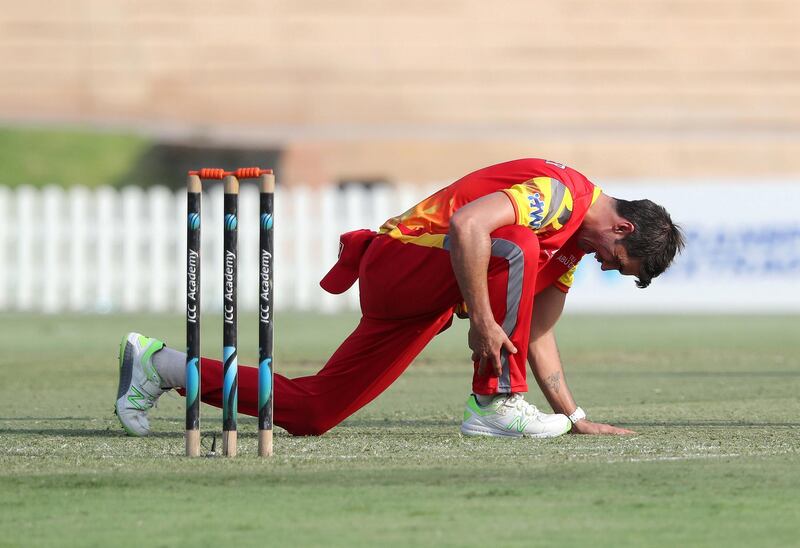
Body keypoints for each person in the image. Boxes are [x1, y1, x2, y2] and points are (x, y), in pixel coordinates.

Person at [115, 158, 684, 439]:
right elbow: (467, 227)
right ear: (624, 230)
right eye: (617, 262)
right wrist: (483, 324)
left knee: (315, 412)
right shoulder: (559, 196)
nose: (606, 267)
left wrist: (575, 416)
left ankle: (160, 365)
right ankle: (492, 404)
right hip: (402, 259)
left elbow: (535, 330)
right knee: (512, 244)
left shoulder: (572, 250)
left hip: (426, 298)